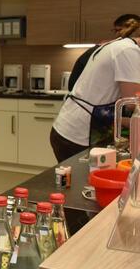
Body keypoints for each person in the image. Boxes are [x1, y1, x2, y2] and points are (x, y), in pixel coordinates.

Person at [51, 18, 140, 162]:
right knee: (81, 181)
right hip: (79, 135)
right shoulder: (128, 51)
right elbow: (132, 102)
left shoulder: (116, 46)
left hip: (70, 128)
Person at [68, 14, 140, 91]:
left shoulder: (108, 48)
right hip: (89, 98)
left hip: (82, 97)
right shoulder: (126, 50)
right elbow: (131, 95)